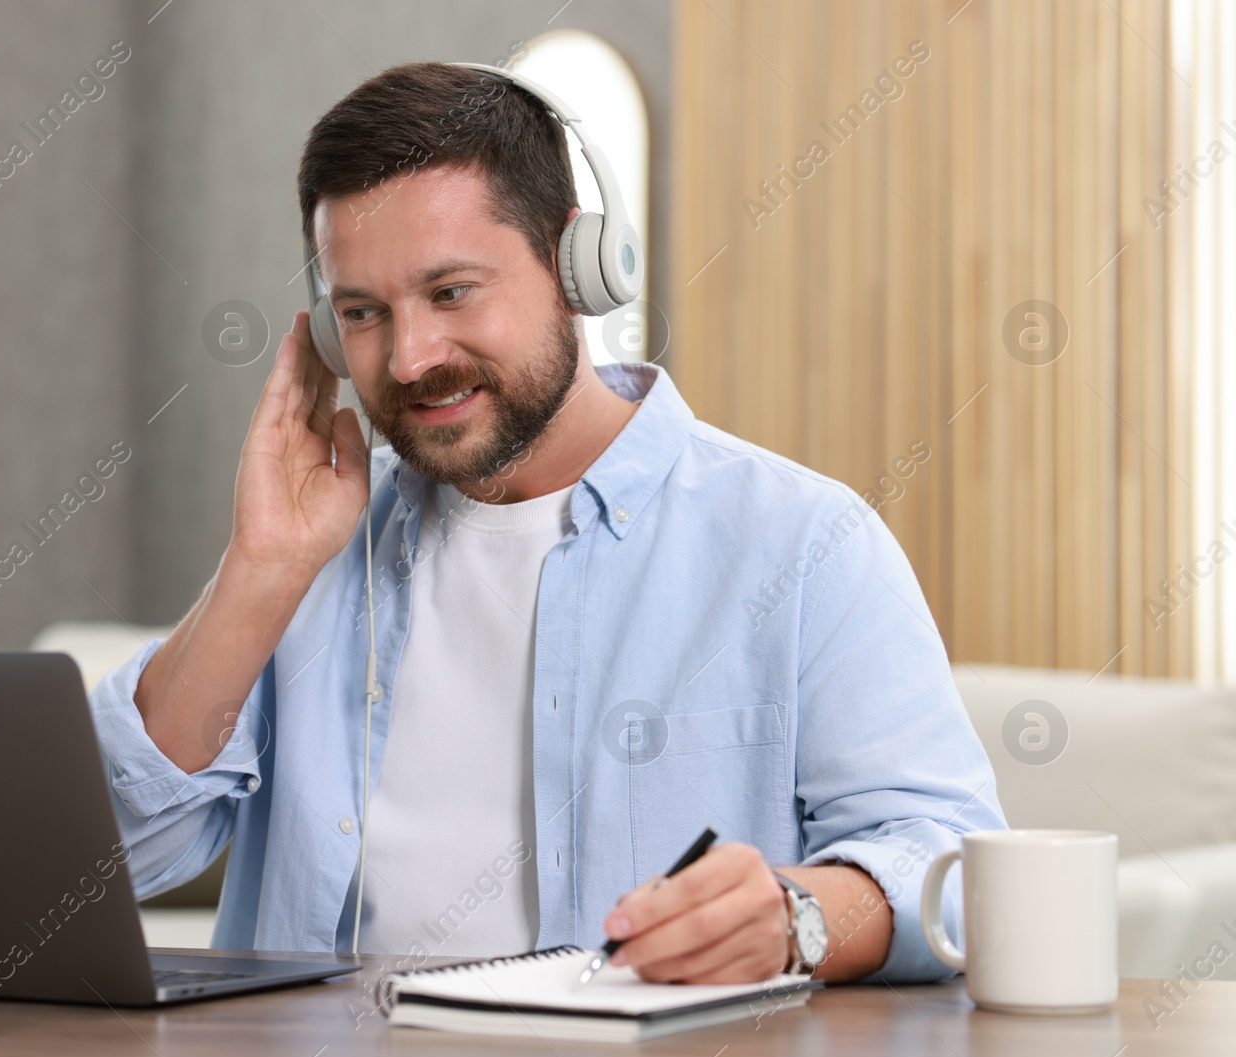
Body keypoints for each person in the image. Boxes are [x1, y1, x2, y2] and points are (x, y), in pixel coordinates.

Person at [89, 61, 1006, 985]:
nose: (410, 359)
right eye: (365, 312)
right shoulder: (308, 558)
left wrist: (795, 916)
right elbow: (102, 861)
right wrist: (260, 570)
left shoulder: (803, 543)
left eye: (451, 293)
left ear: (582, 267)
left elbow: (954, 867)